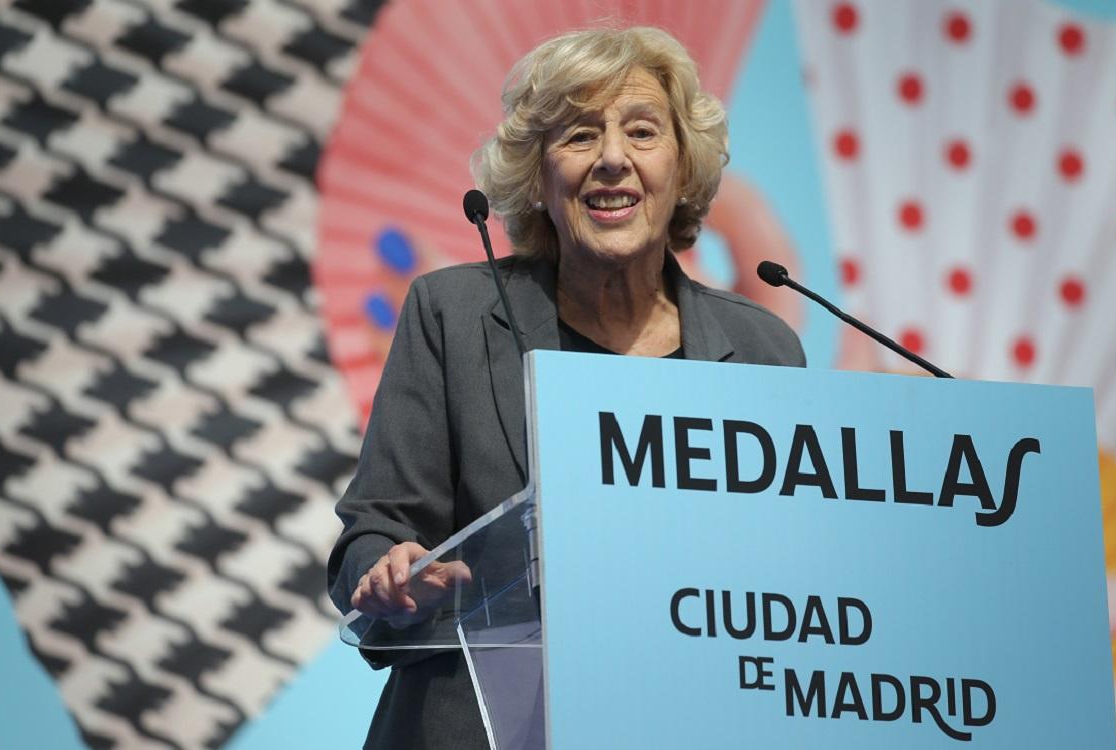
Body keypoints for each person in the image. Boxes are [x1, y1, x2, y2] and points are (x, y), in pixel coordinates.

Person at [327, 26, 805, 749]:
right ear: (539, 175)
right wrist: (387, 572)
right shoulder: (452, 316)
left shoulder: (768, 352)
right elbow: (374, 529)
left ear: (682, 166)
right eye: (580, 136)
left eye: (642, 132)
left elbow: (793, 573)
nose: (612, 159)